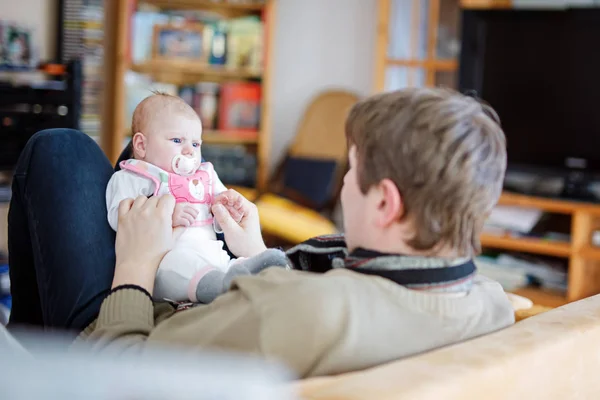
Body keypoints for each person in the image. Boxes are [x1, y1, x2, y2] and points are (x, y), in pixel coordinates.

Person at [8, 87, 514, 378]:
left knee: (61, 150)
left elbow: (122, 375)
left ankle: (32, 364)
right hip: (223, 291)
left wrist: (136, 267)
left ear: (386, 201)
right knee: (143, 158)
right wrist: (257, 252)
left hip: (122, 333)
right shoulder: (491, 301)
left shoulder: (294, 312)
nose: (342, 187)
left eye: (351, 172)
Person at [106, 93, 287, 304]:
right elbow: (117, 218)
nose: (189, 151)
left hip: (212, 253)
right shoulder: (133, 176)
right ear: (141, 146)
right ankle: (222, 286)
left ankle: (254, 272)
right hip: (162, 263)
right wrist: (165, 217)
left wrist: (227, 208)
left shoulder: (205, 175)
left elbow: (219, 203)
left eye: (196, 144)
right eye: (177, 140)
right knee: (182, 264)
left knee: (231, 264)